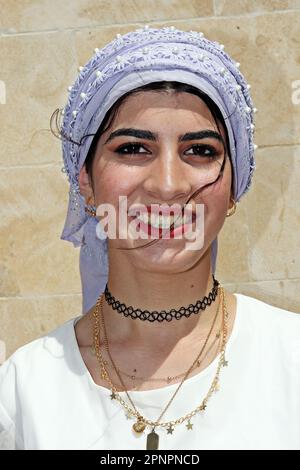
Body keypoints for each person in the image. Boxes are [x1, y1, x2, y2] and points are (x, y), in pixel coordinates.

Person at [0, 26, 299, 451]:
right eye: (133, 149)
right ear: (84, 181)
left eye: (200, 151)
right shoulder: (23, 392)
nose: (168, 185)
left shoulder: (292, 359)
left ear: (234, 186)